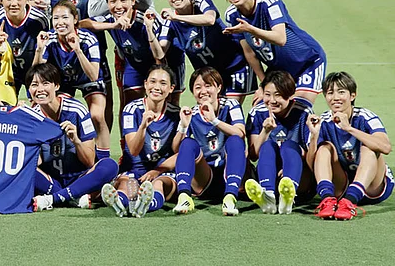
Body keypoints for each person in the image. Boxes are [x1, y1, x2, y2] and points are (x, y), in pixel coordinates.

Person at [39, 0, 114, 133]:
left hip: (93, 45)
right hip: (60, 51)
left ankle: (102, 153)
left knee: (102, 103)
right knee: (58, 104)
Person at [222, 0, 326, 106]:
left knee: (298, 108)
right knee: (261, 108)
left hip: (307, 61)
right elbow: (249, 53)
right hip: (278, 69)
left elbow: (280, 38)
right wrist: (264, 84)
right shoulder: (231, 15)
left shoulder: (269, 2)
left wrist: (250, 29)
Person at [29, 63, 119, 211]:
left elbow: (90, 161)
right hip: (51, 180)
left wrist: (76, 140)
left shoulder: (77, 110)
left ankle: (53, 199)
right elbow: (34, 162)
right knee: (22, 168)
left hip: (80, 177)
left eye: (45, 83)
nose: (40, 90)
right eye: (34, 85)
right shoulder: (31, 117)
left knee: (110, 165)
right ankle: (73, 197)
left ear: (56, 86)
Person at [157, 0, 256, 103]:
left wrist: (176, 17)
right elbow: (160, 52)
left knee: (229, 110)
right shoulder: (168, 22)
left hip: (234, 66)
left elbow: (209, 19)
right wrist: (149, 28)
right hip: (208, 75)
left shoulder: (201, 2)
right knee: (208, 115)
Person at [307, 72, 392, 220]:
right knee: (324, 147)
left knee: (369, 146)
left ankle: (350, 201)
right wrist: (314, 136)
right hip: (341, 186)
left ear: (352, 96)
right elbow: (310, 164)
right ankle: (327, 199)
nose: (335, 98)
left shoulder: (366, 116)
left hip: (373, 187)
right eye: (330, 93)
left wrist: (349, 128)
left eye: (341, 92)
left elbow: (385, 147)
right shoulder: (323, 121)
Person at [33, 0, 109, 161]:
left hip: (86, 78)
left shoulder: (88, 39)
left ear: (75, 19)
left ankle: (103, 160)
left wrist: (78, 51)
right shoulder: (49, 39)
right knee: (47, 110)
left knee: (96, 116)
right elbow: (37, 72)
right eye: (56, 18)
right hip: (63, 81)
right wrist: (39, 49)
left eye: (64, 18)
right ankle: (56, 155)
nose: (60, 22)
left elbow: (94, 75)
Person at [101, 65, 180, 218]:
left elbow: (180, 153)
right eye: (153, 81)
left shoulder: (176, 114)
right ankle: (120, 202)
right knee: (127, 184)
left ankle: (144, 205)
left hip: (161, 170)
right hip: (134, 169)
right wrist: (143, 125)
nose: (157, 87)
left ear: (171, 88)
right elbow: (133, 149)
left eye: (163, 83)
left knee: (159, 185)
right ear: (145, 84)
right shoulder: (131, 109)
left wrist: (157, 171)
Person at [171, 67, 247, 216]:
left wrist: (214, 120)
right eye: (198, 87)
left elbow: (240, 133)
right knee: (187, 143)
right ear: (193, 92)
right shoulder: (192, 113)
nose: (203, 91)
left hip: (230, 172)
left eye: (208, 85)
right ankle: (184, 196)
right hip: (205, 177)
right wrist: (183, 125)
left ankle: (230, 198)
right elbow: (176, 149)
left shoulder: (231, 105)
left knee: (235, 141)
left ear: (219, 87)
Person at [83, 0, 160, 105]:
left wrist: (159, 74)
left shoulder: (146, 21)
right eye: (113, 1)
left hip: (159, 63)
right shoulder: (110, 19)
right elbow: (82, 24)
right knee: (129, 105)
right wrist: (113, 26)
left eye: (123, 0)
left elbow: (162, 53)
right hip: (134, 66)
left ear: (133, 1)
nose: (118, 6)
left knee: (162, 106)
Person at [245, 71, 313, 215]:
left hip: (299, 176)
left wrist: (288, 165)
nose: (272, 100)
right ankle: (268, 196)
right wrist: (265, 131)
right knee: (268, 145)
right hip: (270, 172)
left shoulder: (303, 112)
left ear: (291, 95)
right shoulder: (257, 113)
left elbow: (311, 155)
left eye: (278, 95)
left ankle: (287, 196)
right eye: (268, 94)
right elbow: (253, 155)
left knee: (289, 146)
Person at [0, 0, 49, 100]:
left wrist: (34, 78)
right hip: (7, 74)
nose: (14, 3)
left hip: (34, 68)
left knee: (40, 109)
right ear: (1, 0)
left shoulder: (39, 20)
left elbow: (42, 58)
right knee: (2, 112)